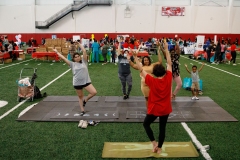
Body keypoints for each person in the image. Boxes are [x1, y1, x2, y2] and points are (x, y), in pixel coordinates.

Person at [133, 41, 172, 154]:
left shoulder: (151, 80)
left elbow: (141, 69)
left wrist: (136, 57)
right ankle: (159, 148)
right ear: (164, 72)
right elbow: (169, 62)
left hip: (155, 109)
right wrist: (166, 49)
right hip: (165, 109)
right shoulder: (168, 77)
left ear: (154, 73)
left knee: (146, 124)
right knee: (162, 128)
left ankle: (154, 143)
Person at [53, 43, 97, 116]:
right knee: (80, 97)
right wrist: (56, 52)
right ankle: (82, 110)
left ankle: (85, 101)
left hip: (86, 81)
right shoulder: (72, 64)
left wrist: (79, 44)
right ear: (73, 58)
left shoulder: (84, 61)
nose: (77, 58)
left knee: (94, 92)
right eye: (75, 57)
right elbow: (63, 58)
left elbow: (84, 51)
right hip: (77, 83)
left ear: (80, 57)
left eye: (78, 56)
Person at [128, 41, 162, 109]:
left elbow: (160, 62)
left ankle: (153, 108)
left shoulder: (152, 65)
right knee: (147, 98)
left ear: (149, 60)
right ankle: (149, 110)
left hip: (152, 84)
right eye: (145, 60)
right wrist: (129, 59)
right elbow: (134, 65)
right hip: (145, 85)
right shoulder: (141, 67)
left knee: (154, 98)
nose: (146, 61)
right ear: (143, 61)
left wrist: (158, 50)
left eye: (147, 60)